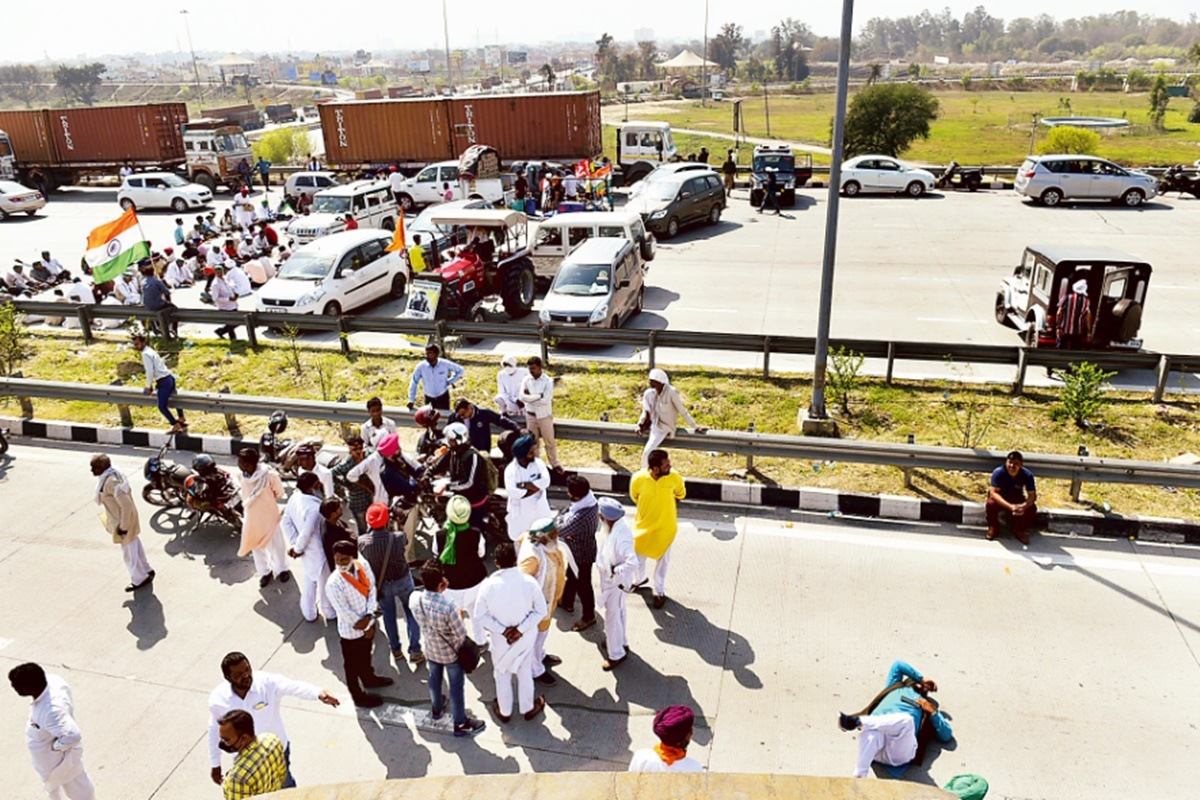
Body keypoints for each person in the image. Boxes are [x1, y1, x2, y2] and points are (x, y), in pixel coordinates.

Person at [207, 653, 339, 790]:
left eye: (247, 669)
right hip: (244, 760)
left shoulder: (267, 683)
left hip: (276, 753)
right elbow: (214, 731)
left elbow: (292, 686)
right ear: (227, 677)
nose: (246, 675)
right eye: (238, 674)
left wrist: (318, 693)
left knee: (285, 788)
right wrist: (215, 763)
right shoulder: (218, 700)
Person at [409, 561, 487, 737]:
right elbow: (461, 634)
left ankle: (437, 708)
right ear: (441, 583)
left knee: (434, 679)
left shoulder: (415, 599)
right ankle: (460, 722)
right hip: (450, 653)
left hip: (430, 648)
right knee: (456, 687)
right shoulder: (449, 606)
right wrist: (459, 616)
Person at [839, 660, 952, 779]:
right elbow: (898, 665)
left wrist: (932, 711)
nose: (925, 688)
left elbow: (946, 735)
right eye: (921, 684)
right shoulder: (894, 687)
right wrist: (921, 678)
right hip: (877, 749)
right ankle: (859, 777)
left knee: (906, 721)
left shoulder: (924, 705)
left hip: (898, 752)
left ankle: (857, 722)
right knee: (872, 734)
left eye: (927, 689)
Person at [474, 542, 547, 723]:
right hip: (525, 639)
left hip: (500, 641)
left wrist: (504, 631)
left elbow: (479, 615)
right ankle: (528, 708)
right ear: (515, 560)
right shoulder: (529, 582)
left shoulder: (488, 585)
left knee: (502, 674)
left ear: (496, 562)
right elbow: (541, 611)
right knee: (524, 672)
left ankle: (505, 712)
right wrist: (520, 630)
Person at [9, 662, 97, 800]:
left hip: (58, 764)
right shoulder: (53, 681)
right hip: (49, 762)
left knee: (79, 789)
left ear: (28, 688)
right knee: (56, 789)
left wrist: (55, 748)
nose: (13, 687)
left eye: (16, 685)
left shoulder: (51, 711)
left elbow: (73, 736)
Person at [325, 540, 393, 708]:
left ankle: (369, 679)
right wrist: (366, 626)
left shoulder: (363, 566)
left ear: (353, 557)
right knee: (351, 666)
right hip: (351, 632)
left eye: (344, 560)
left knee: (365, 655)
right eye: (337, 560)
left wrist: (369, 618)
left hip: (367, 624)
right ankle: (358, 697)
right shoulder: (334, 584)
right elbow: (344, 612)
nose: (340, 564)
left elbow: (371, 591)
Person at [358, 503, 424, 666]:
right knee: (411, 613)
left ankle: (395, 649)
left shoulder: (362, 542)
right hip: (402, 580)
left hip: (382, 585)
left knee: (388, 615)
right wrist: (399, 525)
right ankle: (415, 650)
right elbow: (405, 540)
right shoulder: (398, 537)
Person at [518, 517, 572, 687]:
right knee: (536, 637)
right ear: (542, 537)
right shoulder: (532, 558)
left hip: (550, 601)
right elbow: (523, 586)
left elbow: (521, 538)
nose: (557, 536)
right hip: (539, 606)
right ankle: (536, 669)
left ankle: (540, 655)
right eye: (553, 534)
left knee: (542, 634)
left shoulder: (541, 543)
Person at [90, 454, 154, 593]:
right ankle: (146, 570)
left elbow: (126, 505)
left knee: (128, 553)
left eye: (94, 467)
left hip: (123, 521)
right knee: (134, 545)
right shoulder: (112, 475)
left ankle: (139, 578)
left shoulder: (111, 482)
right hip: (124, 518)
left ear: (101, 468)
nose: (91, 470)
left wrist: (123, 527)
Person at [631, 449, 686, 609]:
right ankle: (639, 579)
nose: (670, 466)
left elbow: (681, 493)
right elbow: (634, 496)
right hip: (643, 527)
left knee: (663, 560)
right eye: (666, 465)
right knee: (638, 556)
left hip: (665, 527)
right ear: (654, 468)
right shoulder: (638, 478)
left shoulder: (674, 477)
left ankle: (659, 591)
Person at [281, 472, 336, 623]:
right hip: (317, 550)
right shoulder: (314, 507)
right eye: (318, 485)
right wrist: (297, 548)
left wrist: (295, 545)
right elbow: (306, 532)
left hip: (304, 551)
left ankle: (309, 613)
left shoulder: (294, 498)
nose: (320, 487)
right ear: (312, 488)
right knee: (324, 583)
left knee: (310, 581)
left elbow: (286, 521)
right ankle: (329, 612)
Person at [435, 494, 488, 645]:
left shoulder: (439, 535)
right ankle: (481, 641)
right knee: (476, 614)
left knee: (453, 618)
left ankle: (459, 643)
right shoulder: (476, 534)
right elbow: (481, 554)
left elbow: (436, 554)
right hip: (474, 584)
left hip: (450, 587)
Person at [236, 448, 291, 588]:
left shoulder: (269, 475)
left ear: (249, 464)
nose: (239, 464)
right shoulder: (241, 475)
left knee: (277, 544)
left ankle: (283, 569)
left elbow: (279, 493)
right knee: (256, 546)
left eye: (241, 461)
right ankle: (265, 572)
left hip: (269, 515)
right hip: (252, 517)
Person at [596, 497, 639, 670]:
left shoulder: (621, 537)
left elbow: (632, 563)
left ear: (603, 518)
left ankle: (616, 654)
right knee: (620, 612)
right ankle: (621, 642)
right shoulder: (616, 528)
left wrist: (615, 570)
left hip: (616, 584)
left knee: (612, 618)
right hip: (615, 584)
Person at [637, 368, 705, 469]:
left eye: (654, 381)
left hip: (666, 427)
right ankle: (646, 476)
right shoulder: (649, 394)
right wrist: (640, 424)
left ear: (660, 382)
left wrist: (695, 426)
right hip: (655, 426)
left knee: (648, 452)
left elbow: (683, 411)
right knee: (647, 453)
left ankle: (647, 475)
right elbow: (646, 411)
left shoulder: (672, 392)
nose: (651, 383)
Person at [556, 475, 599, 632]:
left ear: (575, 494)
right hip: (576, 550)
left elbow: (560, 529)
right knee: (571, 576)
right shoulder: (587, 500)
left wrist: (560, 522)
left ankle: (589, 616)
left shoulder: (580, 517)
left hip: (582, 554)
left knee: (584, 586)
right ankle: (567, 601)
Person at [434, 423, 493, 531]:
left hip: (473, 502)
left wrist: (446, 487)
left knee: (474, 533)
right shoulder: (453, 451)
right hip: (460, 499)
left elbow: (468, 483)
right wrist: (427, 472)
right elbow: (438, 465)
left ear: (460, 439)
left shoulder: (472, 456)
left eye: (451, 440)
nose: (449, 443)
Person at [216, 710, 287, 799]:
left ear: (244, 738)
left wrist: (228, 784)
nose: (222, 743)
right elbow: (282, 775)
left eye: (227, 740)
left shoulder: (238, 779)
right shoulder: (272, 739)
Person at [131, 331, 186, 433]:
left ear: (143, 342)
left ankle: (175, 424)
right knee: (176, 400)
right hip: (170, 378)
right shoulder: (150, 350)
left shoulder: (145, 354)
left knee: (162, 406)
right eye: (135, 345)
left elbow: (149, 371)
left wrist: (148, 386)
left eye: (137, 344)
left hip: (163, 381)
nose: (136, 347)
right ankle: (181, 418)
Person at [628, 705, 704, 773]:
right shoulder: (695, 769)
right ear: (679, 740)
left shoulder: (641, 758)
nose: (692, 733)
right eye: (689, 730)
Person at [504, 434, 551, 542]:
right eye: (534, 449)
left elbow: (546, 482)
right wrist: (536, 488)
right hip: (520, 516)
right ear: (528, 454)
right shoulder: (511, 471)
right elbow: (513, 492)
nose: (537, 450)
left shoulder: (538, 464)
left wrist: (524, 485)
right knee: (522, 546)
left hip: (539, 512)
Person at [986, 450, 1037, 545]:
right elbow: (993, 493)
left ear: (1021, 465)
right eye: (1010, 462)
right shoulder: (999, 472)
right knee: (991, 503)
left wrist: (1023, 506)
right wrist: (1010, 507)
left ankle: (1019, 530)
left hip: (1016, 498)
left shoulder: (1027, 475)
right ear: (1006, 462)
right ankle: (993, 527)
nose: (1012, 466)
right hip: (1001, 499)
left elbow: (1032, 496)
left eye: (1016, 464)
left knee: (1032, 508)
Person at [519, 356, 561, 471]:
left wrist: (530, 397)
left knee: (549, 442)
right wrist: (538, 395)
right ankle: (536, 464)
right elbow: (522, 397)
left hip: (544, 416)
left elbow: (545, 400)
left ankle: (555, 464)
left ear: (540, 368)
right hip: (531, 416)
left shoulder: (548, 381)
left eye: (533, 368)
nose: (531, 371)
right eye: (530, 369)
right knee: (533, 443)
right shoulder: (526, 380)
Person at [331, 435, 373, 536]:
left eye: (360, 448)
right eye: (355, 449)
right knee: (363, 527)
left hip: (371, 496)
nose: (358, 451)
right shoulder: (347, 464)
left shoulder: (369, 456)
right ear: (350, 450)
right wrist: (344, 484)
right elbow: (330, 474)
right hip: (357, 500)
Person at [407, 344, 464, 411]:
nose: (427, 356)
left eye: (430, 354)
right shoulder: (421, 367)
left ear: (436, 354)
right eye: (426, 354)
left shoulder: (445, 364)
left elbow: (460, 370)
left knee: (443, 418)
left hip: (442, 398)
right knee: (429, 419)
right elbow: (414, 382)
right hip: (429, 398)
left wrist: (450, 381)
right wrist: (411, 400)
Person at [140, 265, 177, 337]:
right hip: (158, 305)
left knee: (151, 314)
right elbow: (167, 293)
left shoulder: (143, 282)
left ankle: (156, 330)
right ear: (153, 272)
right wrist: (169, 302)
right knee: (174, 310)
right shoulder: (157, 282)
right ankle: (174, 329)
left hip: (147, 305)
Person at [1056, 278, 1092, 350]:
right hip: (1077, 332)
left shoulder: (1066, 298)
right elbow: (1088, 317)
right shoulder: (1087, 301)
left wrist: (1058, 327)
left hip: (1064, 330)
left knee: (1060, 350)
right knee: (1075, 351)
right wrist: (1088, 332)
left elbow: (1059, 312)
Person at [211, 264, 241, 340]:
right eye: (218, 272)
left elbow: (231, 288)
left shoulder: (226, 279)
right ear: (215, 273)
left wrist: (235, 294)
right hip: (225, 307)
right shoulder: (215, 284)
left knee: (233, 323)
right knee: (233, 323)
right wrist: (228, 299)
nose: (220, 273)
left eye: (221, 272)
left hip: (233, 305)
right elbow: (215, 298)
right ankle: (222, 332)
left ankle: (229, 336)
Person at [495, 354, 529, 418]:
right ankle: (503, 414)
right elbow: (502, 392)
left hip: (522, 399)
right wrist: (515, 400)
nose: (507, 367)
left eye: (509, 365)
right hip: (509, 399)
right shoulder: (501, 375)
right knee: (499, 398)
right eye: (505, 365)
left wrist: (521, 399)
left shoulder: (524, 372)